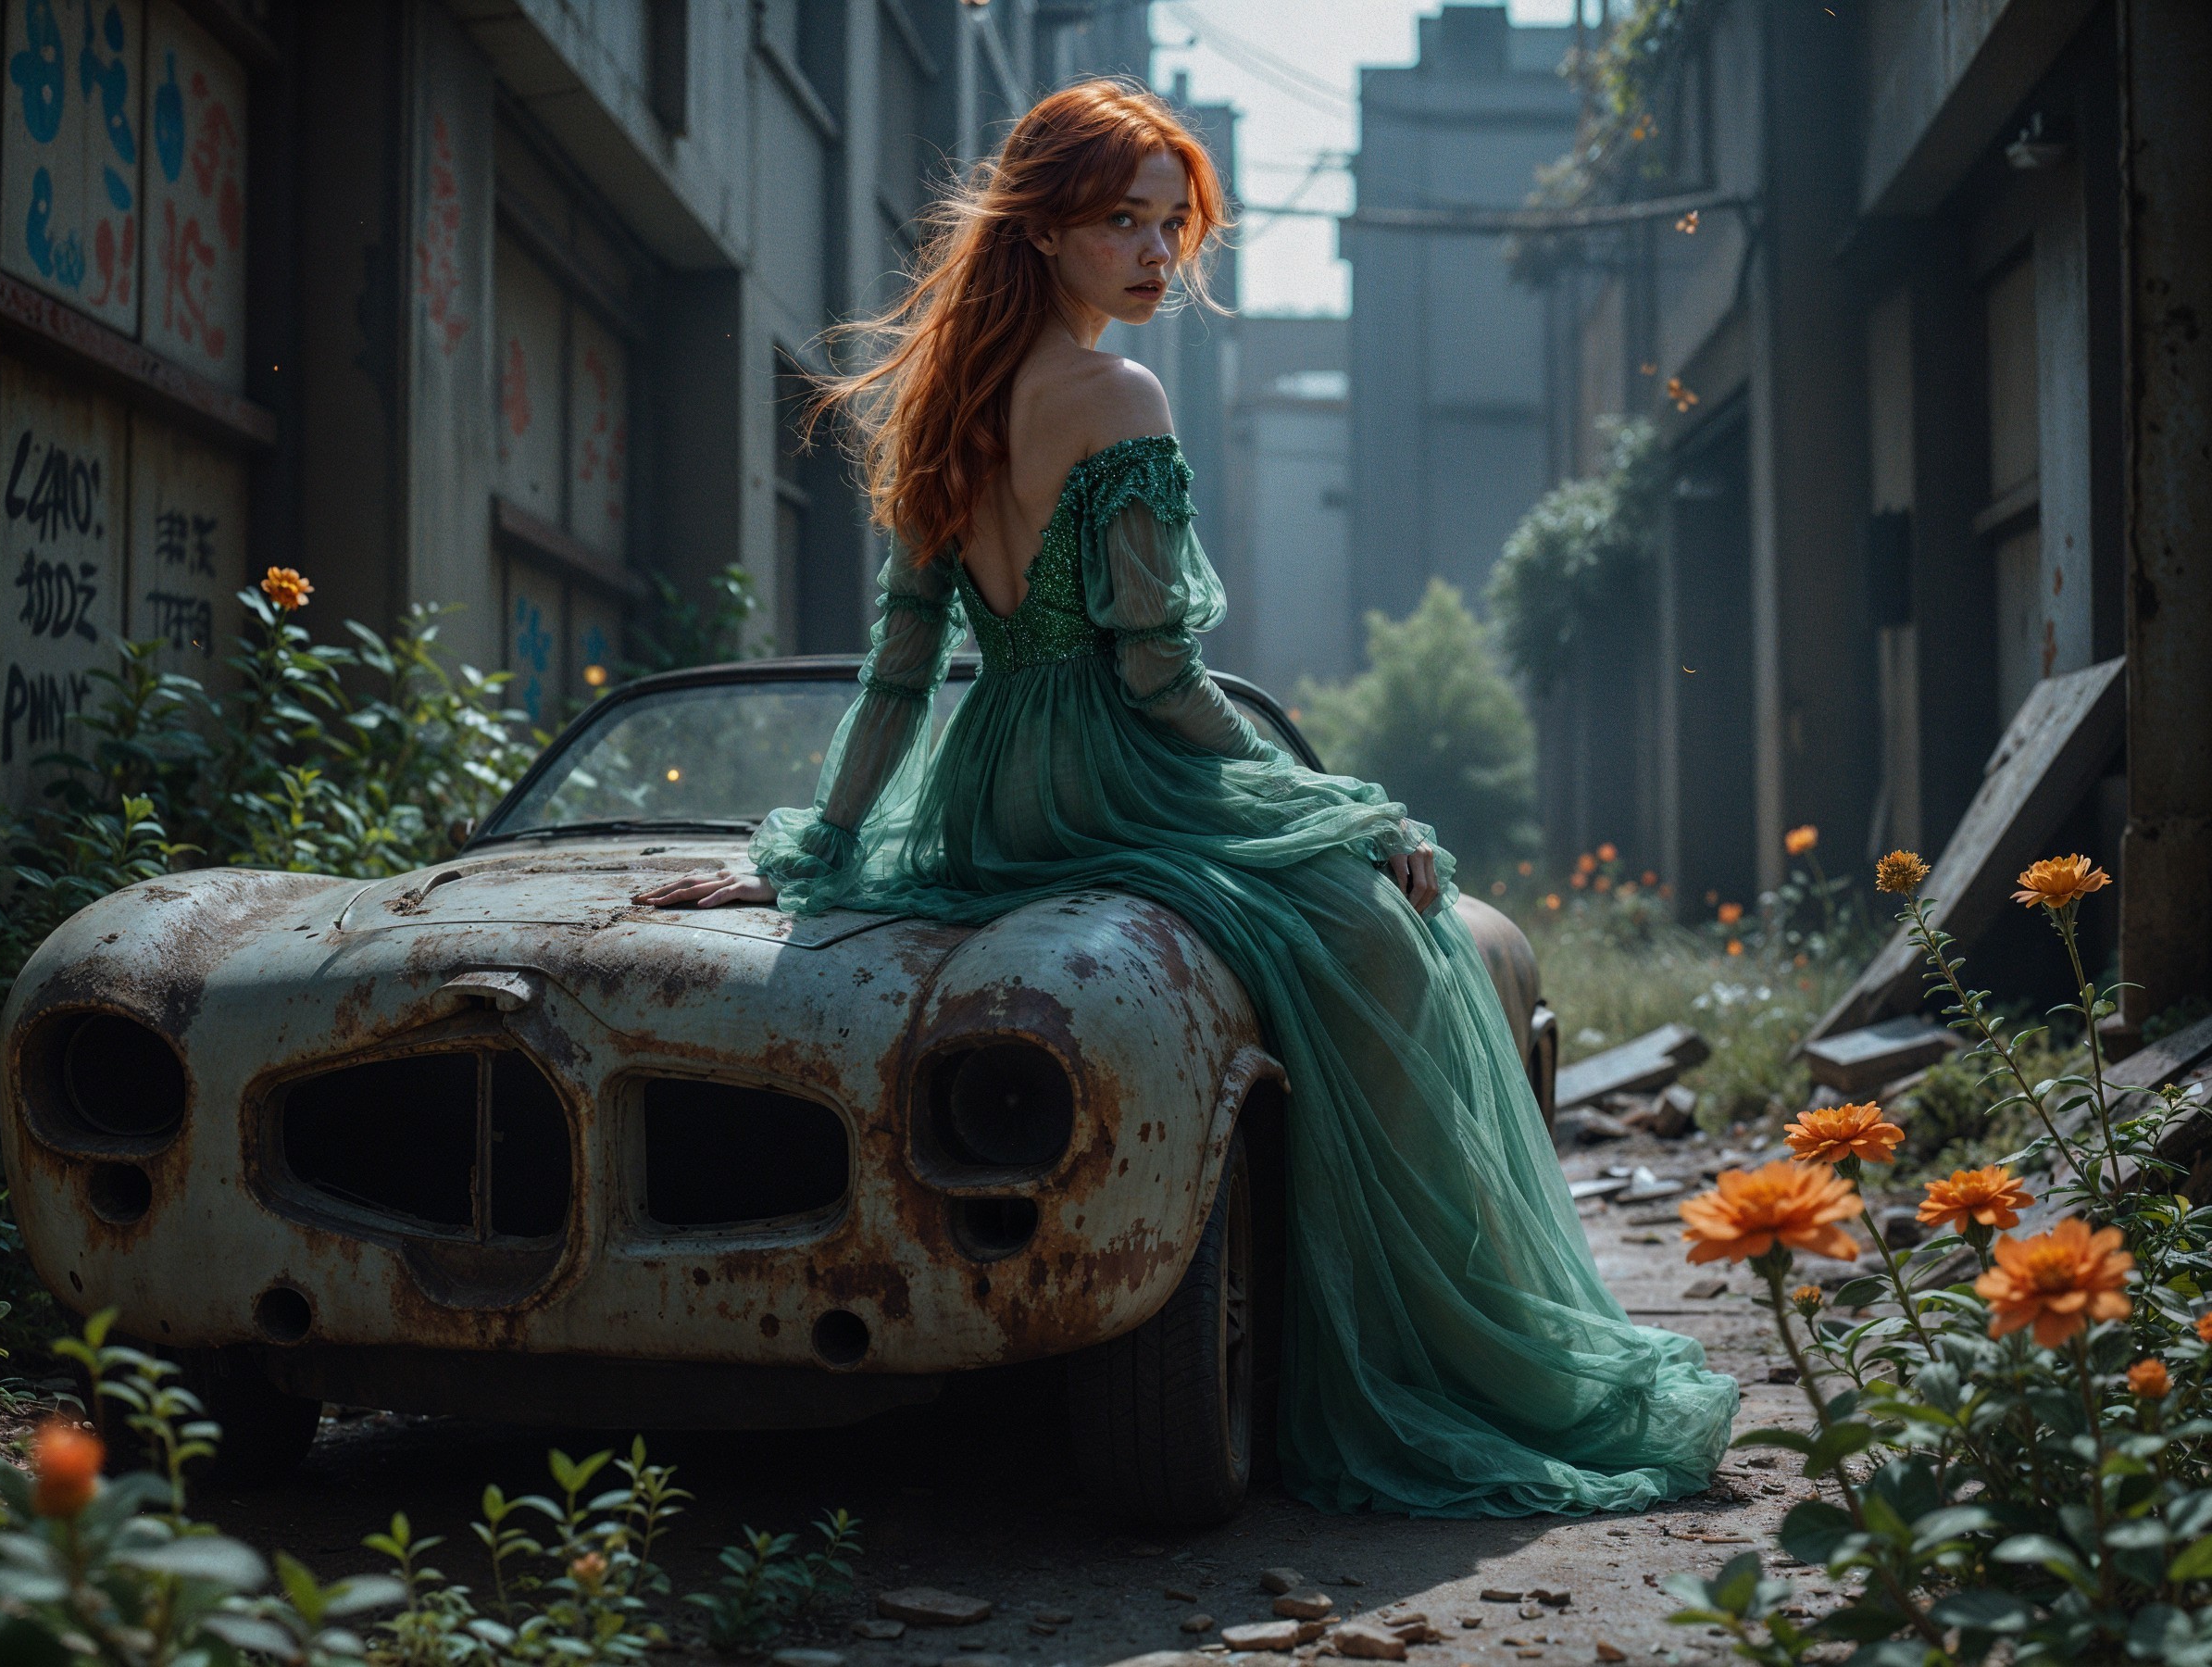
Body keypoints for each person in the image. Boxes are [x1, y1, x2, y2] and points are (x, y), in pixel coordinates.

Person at [635, 80, 1737, 1518]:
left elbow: (902, 673)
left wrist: (820, 851)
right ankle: (1427, 1352)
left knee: (1335, 918)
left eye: (1174, 225)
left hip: (993, 799)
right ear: (1042, 230)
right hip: (1116, 777)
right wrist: (1344, 804)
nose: (1158, 257)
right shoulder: (1121, 397)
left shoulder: (945, 402)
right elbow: (1159, 684)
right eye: (1122, 224)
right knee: (1383, 928)